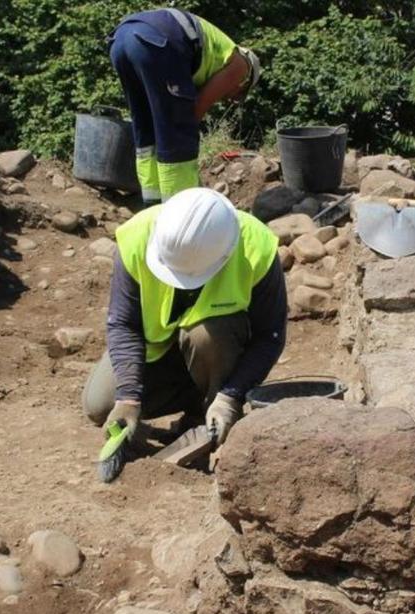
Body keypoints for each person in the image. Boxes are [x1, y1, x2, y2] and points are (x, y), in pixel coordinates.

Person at [82, 188, 286, 445]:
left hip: (214, 354)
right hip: (156, 353)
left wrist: (229, 397)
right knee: (98, 405)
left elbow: (270, 336)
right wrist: (128, 398)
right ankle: (190, 398)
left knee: (206, 336)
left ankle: (209, 412)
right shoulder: (137, 237)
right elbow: (124, 324)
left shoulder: (256, 246)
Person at [108, 8, 261, 204]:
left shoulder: (216, 53)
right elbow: (194, 112)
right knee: (179, 133)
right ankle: (181, 210)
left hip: (121, 40)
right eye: (236, 96)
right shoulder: (241, 67)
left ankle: (152, 206)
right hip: (155, 43)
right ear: (244, 83)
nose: (229, 100)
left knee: (146, 130)